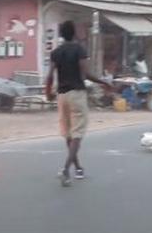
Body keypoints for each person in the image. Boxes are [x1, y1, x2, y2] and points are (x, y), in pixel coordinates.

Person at [46, 20, 111, 187]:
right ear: (74, 33)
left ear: (61, 35)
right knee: (77, 135)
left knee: (68, 134)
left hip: (62, 95)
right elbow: (85, 74)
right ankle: (66, 170)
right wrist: (104, 82)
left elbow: (50, 76)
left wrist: (48, 93)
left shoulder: (56, 52)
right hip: (77, 94)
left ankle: (78, 168)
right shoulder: (79, 50)